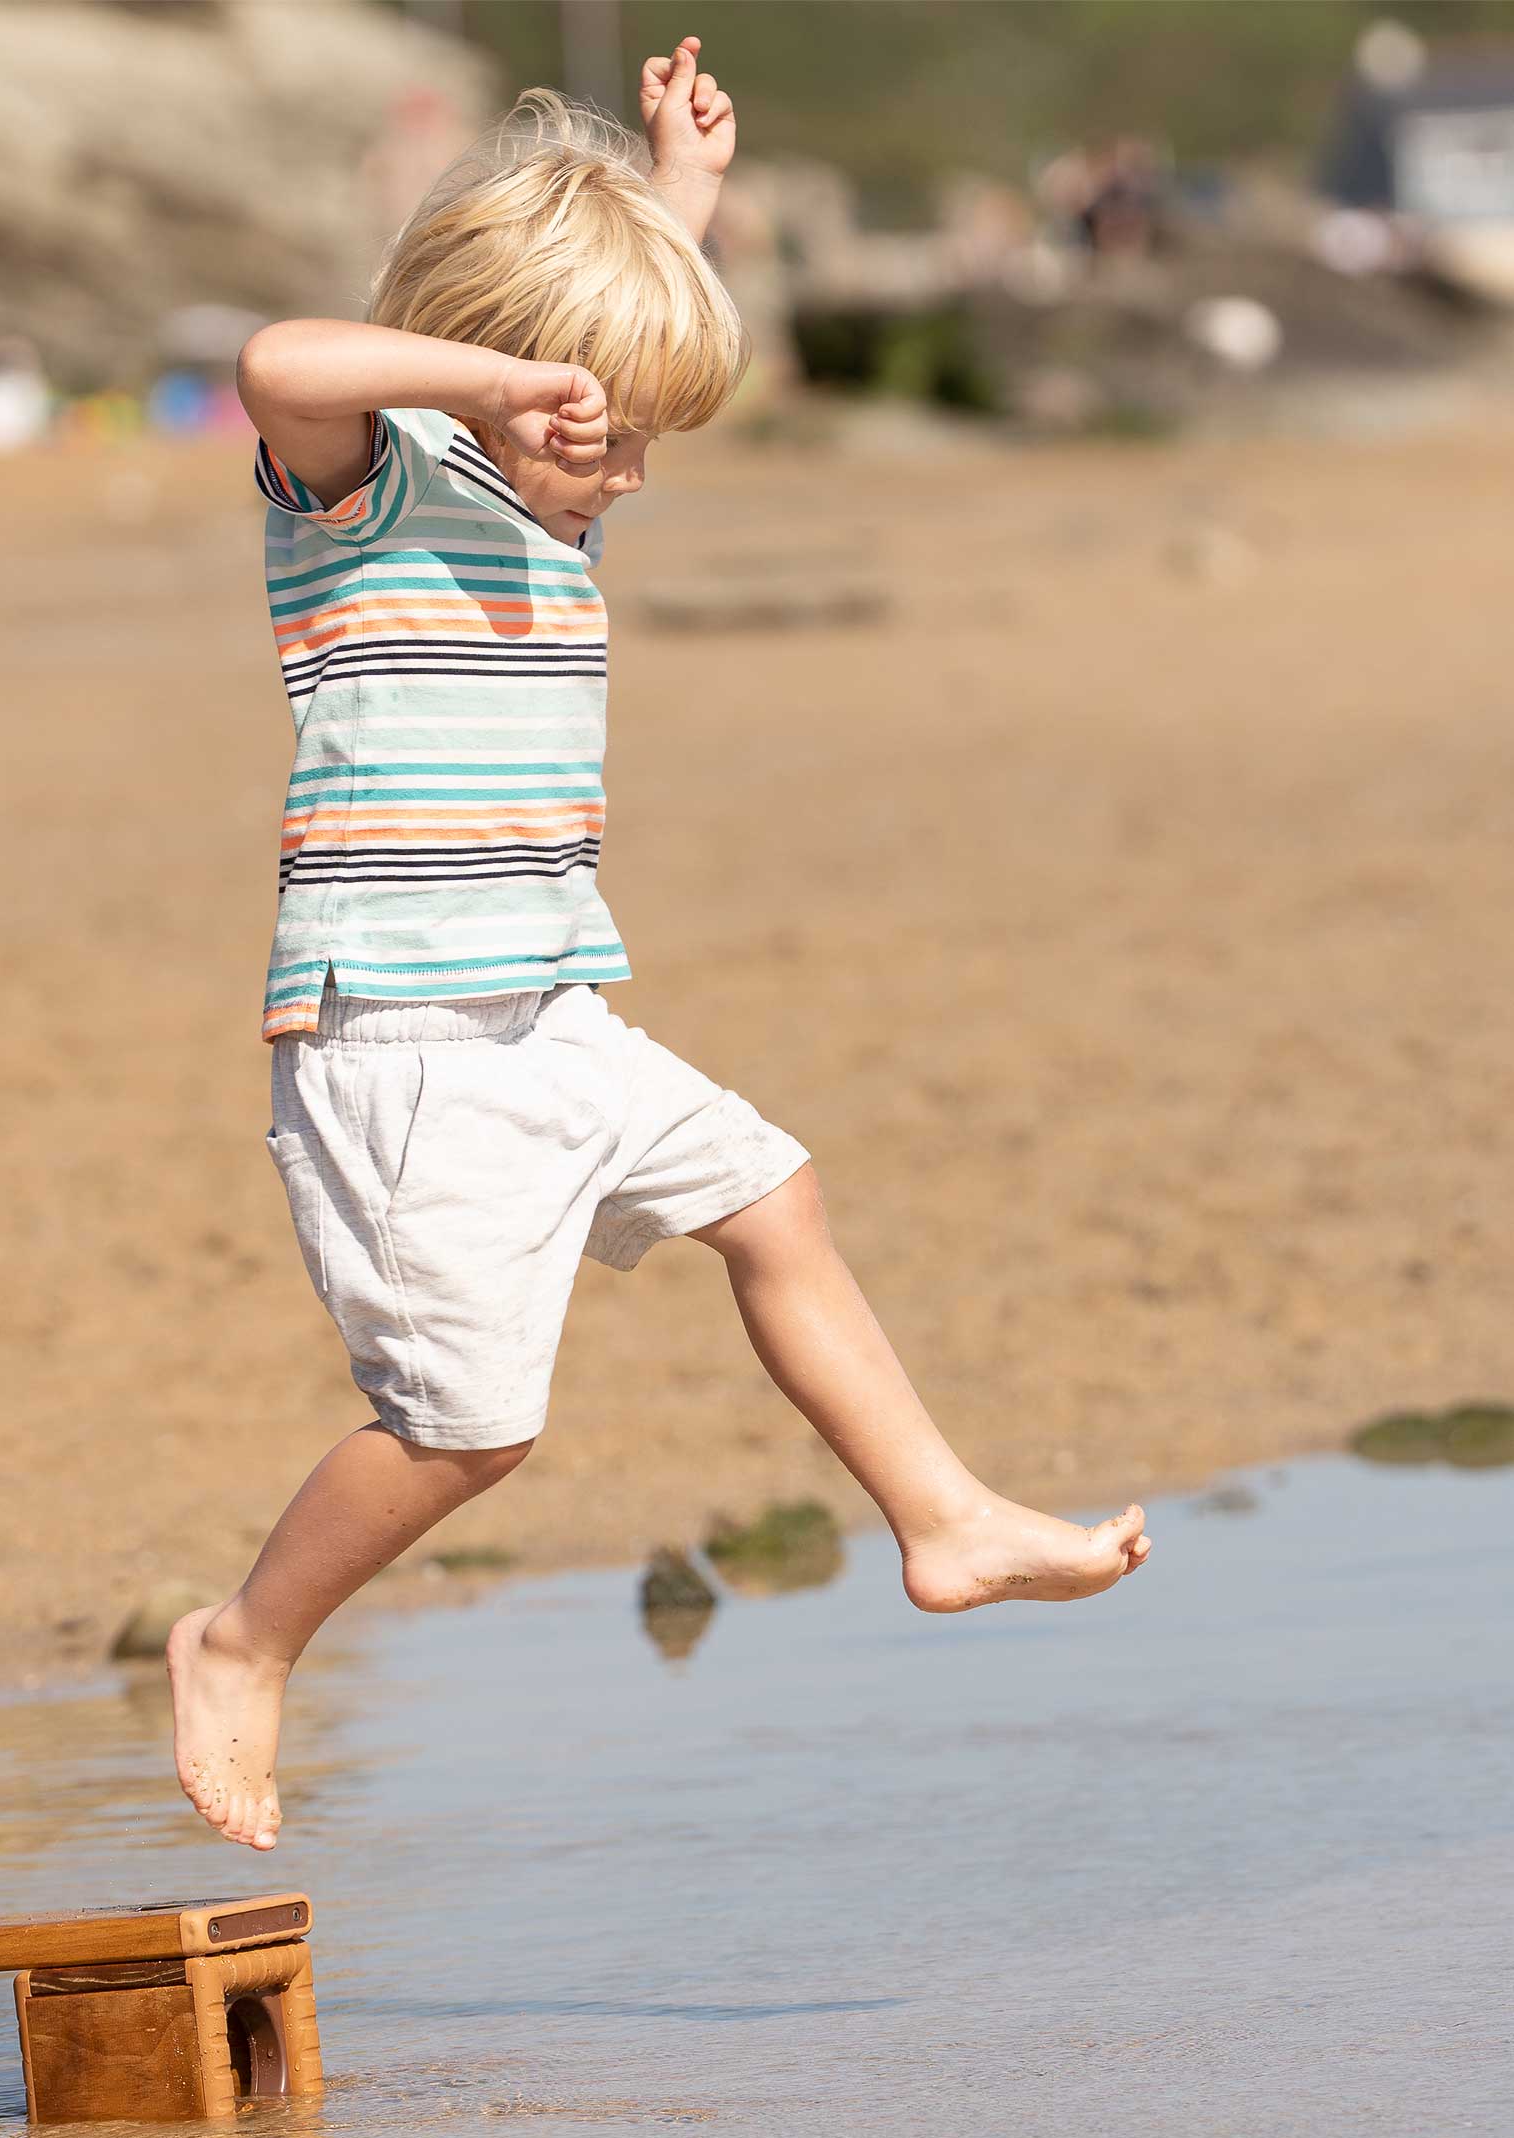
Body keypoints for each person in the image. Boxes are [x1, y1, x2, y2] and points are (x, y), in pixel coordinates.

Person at [169, 42, 1151, 1854]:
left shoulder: (549, 500)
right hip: (399, 1044)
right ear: (500, 381)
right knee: (469, 1432)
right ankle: (242, 1637)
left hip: (553, 1013)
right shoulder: (365, 492)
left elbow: (605, 334)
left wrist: (672, 198)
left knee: (776, 1200)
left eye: (642, 440)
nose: (624, 470)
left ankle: (940, 1515)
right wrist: (503, 376)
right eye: (602, 430)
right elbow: (276, 361)